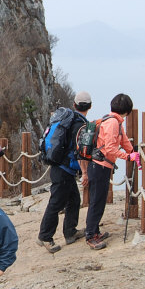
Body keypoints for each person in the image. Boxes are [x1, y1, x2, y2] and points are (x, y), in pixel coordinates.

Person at [84, 93, 140, 250]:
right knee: (96, 201)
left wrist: (132, 151)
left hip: (101, 166)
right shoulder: (113, 123)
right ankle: (90, 236)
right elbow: (110, 148)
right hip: (99, 166)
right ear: (127, 110)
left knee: (99, 200)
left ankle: (94, 231)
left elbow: (124, 140)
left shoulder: (114, 121)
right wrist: (128, 157)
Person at [37, 91, 91, 254]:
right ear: (90, 106)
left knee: (74, 199)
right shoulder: (82, 125)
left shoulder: (68, 120)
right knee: (56, 203)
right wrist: (85, 173)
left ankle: (70, 232)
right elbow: (82, 152)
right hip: (64, 169)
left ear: (74, 105)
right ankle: (45, 237)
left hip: (60, 167)